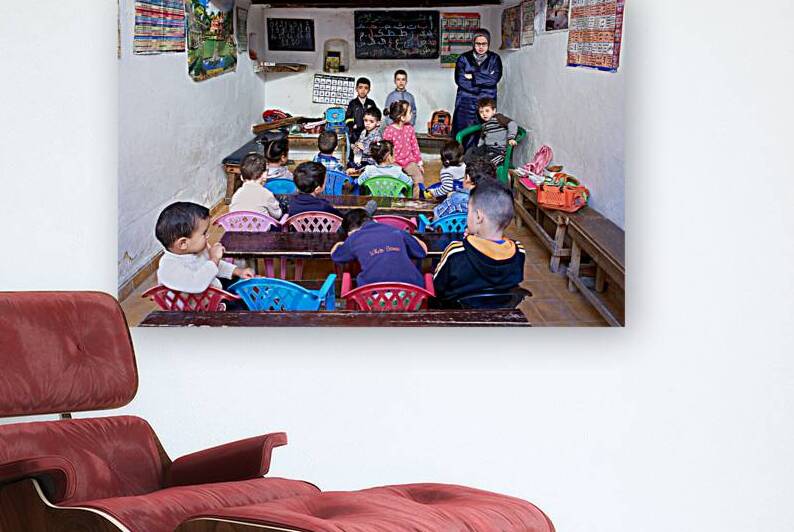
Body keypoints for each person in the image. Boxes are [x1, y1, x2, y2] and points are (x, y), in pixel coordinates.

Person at [433, 180, 525, 304]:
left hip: (459, 313)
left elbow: (438, 287)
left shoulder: (456, 252)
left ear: (478, 217)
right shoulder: (519, 251)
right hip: (500, 311)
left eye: (469, 211)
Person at [155, 201, 254, 294]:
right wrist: (214, 258)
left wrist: (238, 271)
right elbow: (197, 284)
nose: (208, 236)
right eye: (204, 233)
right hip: (195, 309)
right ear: (183, 243)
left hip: (213, 292)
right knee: (241, 305)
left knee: (243, 285)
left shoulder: (197, 251)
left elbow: (214, 266)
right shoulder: (169, 267)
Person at [331, 208, 427, 287]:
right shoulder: (395, 231)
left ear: (350, 231)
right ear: (373, 220)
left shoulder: (353, 238)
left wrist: (341, 243)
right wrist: (413, 237)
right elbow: (422, 251)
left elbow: (335, 255)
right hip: (413, 295)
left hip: (372, 298)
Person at [452, 28, 503, 151]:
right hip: (466, 102)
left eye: (484, 44)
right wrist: (483, 84)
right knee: (463, 131)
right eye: (478, 44)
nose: (481, 47)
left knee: (486, 131)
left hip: (486, 103)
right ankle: (462, 161)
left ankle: (480, 162)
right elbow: (460, 80)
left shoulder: (495, 59)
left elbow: (494, 78)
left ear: (488, 43)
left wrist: (473, 76)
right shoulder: (463, 59)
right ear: (473, 43)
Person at [383, 100, 424, 197]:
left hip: (409, 162)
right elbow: (386, 150)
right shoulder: (389, 131)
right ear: (402, 117)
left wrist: (419, 163)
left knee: (419, 180)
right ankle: (396, 201)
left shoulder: (409, 128)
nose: (412, 113)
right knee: (395, 182)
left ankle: (416, 202)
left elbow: (415, 146)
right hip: (394, 162)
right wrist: (386, 165)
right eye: (410, 112)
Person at [466, 97, 518, 167]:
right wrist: (479, 146)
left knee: (486, 162)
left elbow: (512, 124)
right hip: (487, 148)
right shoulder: (485, 124)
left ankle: (479, 171)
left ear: (494, 111)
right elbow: (482, 137)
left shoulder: (498, 118)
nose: (484, 114)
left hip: (498, 151)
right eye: (481, 112)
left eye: (487, 111)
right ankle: (467, 168)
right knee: (471, 151)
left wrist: (511, 138)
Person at [229, 153, 282, 219]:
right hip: (261, 228)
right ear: (264, 175)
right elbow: (277, 215)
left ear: (241, 177)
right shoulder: (266, 194)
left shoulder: (236, 195)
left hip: (236, 228)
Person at [345, 77, 378, 150]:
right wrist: (352, 126)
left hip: (369, 133)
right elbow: (348, 117)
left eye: (366, 88)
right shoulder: (352, 103)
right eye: (360, 87)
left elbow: (376, 116)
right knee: (355, 152)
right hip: (355, 133)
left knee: (367, 150)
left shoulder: (371, 103)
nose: (363, 90)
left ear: (369, 90)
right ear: (356, 89)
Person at [347, 107, 382, 172]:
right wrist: (355, 147)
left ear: (378, 123)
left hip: (371, 163)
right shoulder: (363, 132)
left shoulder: (378, 136)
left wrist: (364, 149)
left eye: (371, 121)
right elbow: (359, 143)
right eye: (365, 120)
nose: (367, 123)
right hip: (360, 160)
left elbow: (377, 153)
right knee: (349, 164)